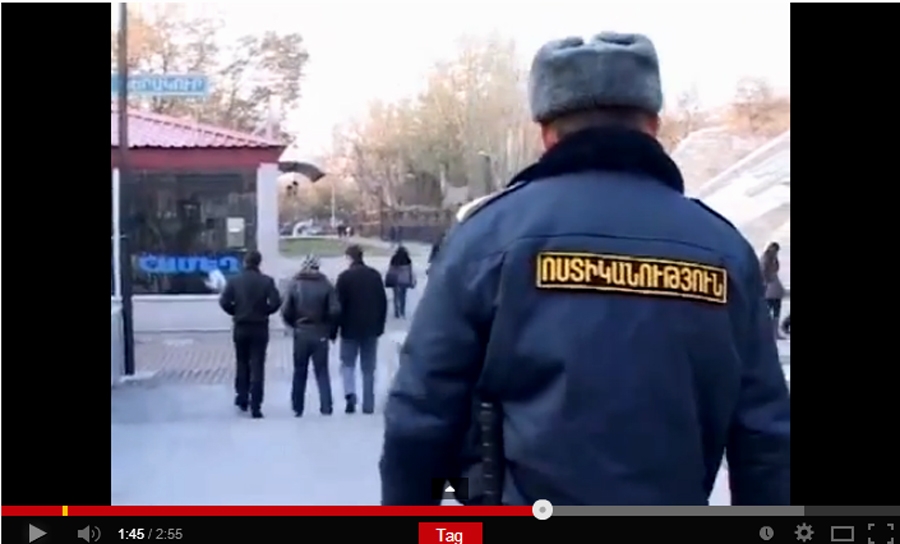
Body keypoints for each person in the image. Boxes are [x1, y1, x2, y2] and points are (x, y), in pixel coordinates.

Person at [380, 32, 790, 506]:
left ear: (547, 133)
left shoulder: (487, 239)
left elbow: (421, 417)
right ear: (653, 125)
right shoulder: (723, 250)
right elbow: (766, 439)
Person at [218, 250, 282, 418]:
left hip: (241, 326)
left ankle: (242, 397)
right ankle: (256, 404)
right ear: (259, 263)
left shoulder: (234, 281)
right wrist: (265, 311)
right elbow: (276, 302)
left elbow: (224, 301)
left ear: (245, 262)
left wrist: (235, 311)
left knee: (242, 362)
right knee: (258, 365)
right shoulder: (266, 281)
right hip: (259, 326)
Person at [281, 254, 341, 417]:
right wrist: (330, 329)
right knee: (322, 371)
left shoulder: (295, 284)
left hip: (301, 332)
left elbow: (285, 310)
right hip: (320, 332)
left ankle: (297, 407)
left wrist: (293, 325)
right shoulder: (326, 285)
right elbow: (335, 310)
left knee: (299, 371)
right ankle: (326, 406)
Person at [336, 244, 388, 414]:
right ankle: (368, 403)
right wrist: (380, 325)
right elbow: (382, 302)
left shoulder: (344, 277)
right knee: (368, 368)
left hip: (349, 328)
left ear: (349, 258)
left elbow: (338, 306)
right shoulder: (374, 276)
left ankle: (350, 395)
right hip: (371, 329)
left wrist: (335, 328)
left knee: (348, 364)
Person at [760, 242, 786, 339]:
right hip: (770, 288)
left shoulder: (771, 258)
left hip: (772, 288)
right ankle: (770, 332)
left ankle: (772, 332)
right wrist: (767, 281)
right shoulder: (767, 258)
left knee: (774, 311)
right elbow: (763, 271)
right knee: (771, 311)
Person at [386, 245, 416, 318]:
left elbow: (391, 269)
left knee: (396, 296)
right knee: (403, 296)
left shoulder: (394, 259)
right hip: (404, 280)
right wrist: (411, 280)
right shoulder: (408, 260)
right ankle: (402, 310)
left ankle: (396, 311)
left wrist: (389, 279)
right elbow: (410, 271)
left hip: (395, 279)